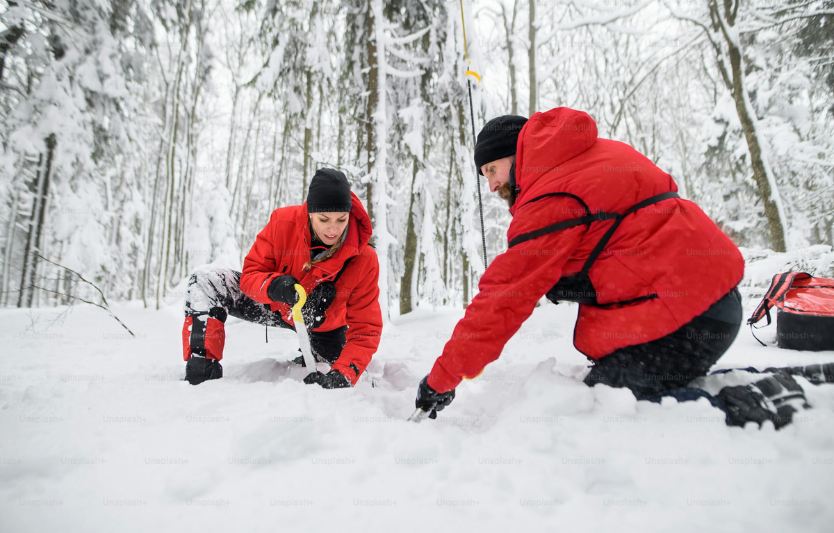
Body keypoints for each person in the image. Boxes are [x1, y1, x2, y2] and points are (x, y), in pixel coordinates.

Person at [413, 107, 813, 428]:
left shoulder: (551, 197)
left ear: (515, 154)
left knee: (606, 405)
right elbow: (624, 240)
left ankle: (749, 402)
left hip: (687, 319)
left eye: (491, 170)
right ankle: (748, 385)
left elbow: (502, 301)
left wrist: (441, 379)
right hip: (707, 304)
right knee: (611, 382)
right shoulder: (590, 157)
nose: (491, 185)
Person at [182, 168, 382, 388]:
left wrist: (342, 375)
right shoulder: (282, 223)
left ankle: (318, 355)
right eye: (324, 219)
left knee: (343, 375)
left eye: (341, 219)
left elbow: (365, 329)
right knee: (206, 280)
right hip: (276, 306)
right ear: (310, 213)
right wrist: (273, 286)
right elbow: (250, 275)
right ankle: (202, 374)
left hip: (325, 328)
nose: (333, 229)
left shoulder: (364, 258)